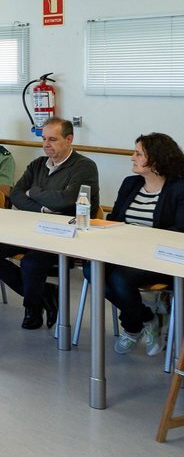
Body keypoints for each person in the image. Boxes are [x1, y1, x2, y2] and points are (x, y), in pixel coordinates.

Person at [0, 117, 100, 329]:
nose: (46, 144)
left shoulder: (84, 166)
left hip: (65, 235)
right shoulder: (37, 164)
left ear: (69, 139)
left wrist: (33, 192)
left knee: (31, 264)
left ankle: (32, 307)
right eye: (44, 139)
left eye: (53, 139)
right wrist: (43, 208)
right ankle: (45, 293)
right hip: (30, 229)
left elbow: (67, 200)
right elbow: (16, 194)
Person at [88, 133, 184, 354]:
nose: (132, 157)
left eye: (138, 154)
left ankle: (131, 327)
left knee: (119, 278)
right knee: (91, 269)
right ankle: (147, 318)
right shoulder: (130, 184)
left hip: (160, 258)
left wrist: (141, 239)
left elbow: (180, 230)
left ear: (156, 159)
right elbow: (116, 219)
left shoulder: (179, 188)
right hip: (126, 252)